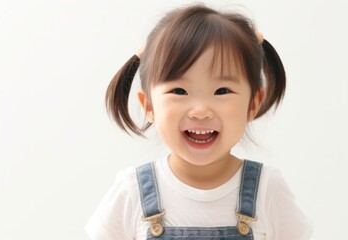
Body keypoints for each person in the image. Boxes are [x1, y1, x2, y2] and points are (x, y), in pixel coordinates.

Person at [86, 3, 313, 240]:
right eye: (179, 91)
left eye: (222, 90)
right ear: (150, 106)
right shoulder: (132, 191)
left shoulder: (267, 190)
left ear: (253, 104)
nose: (201, 111)